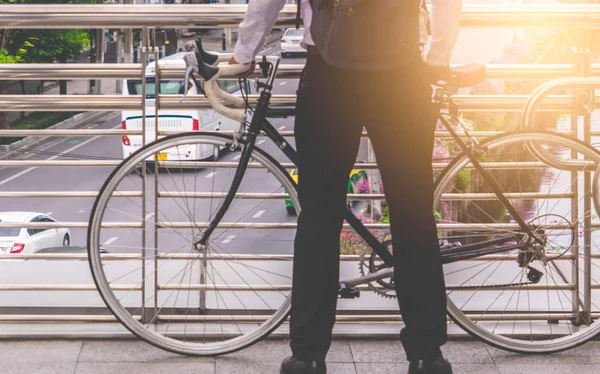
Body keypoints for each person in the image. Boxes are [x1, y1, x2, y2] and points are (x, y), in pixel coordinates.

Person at [230, 1, 462, 373]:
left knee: (319, 218)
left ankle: (307, 354)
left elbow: (265, 3)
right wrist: (437, 56)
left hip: (328, 73)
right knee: (413, 214)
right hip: (402, 74)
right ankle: (426, 354)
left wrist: (244, 52)